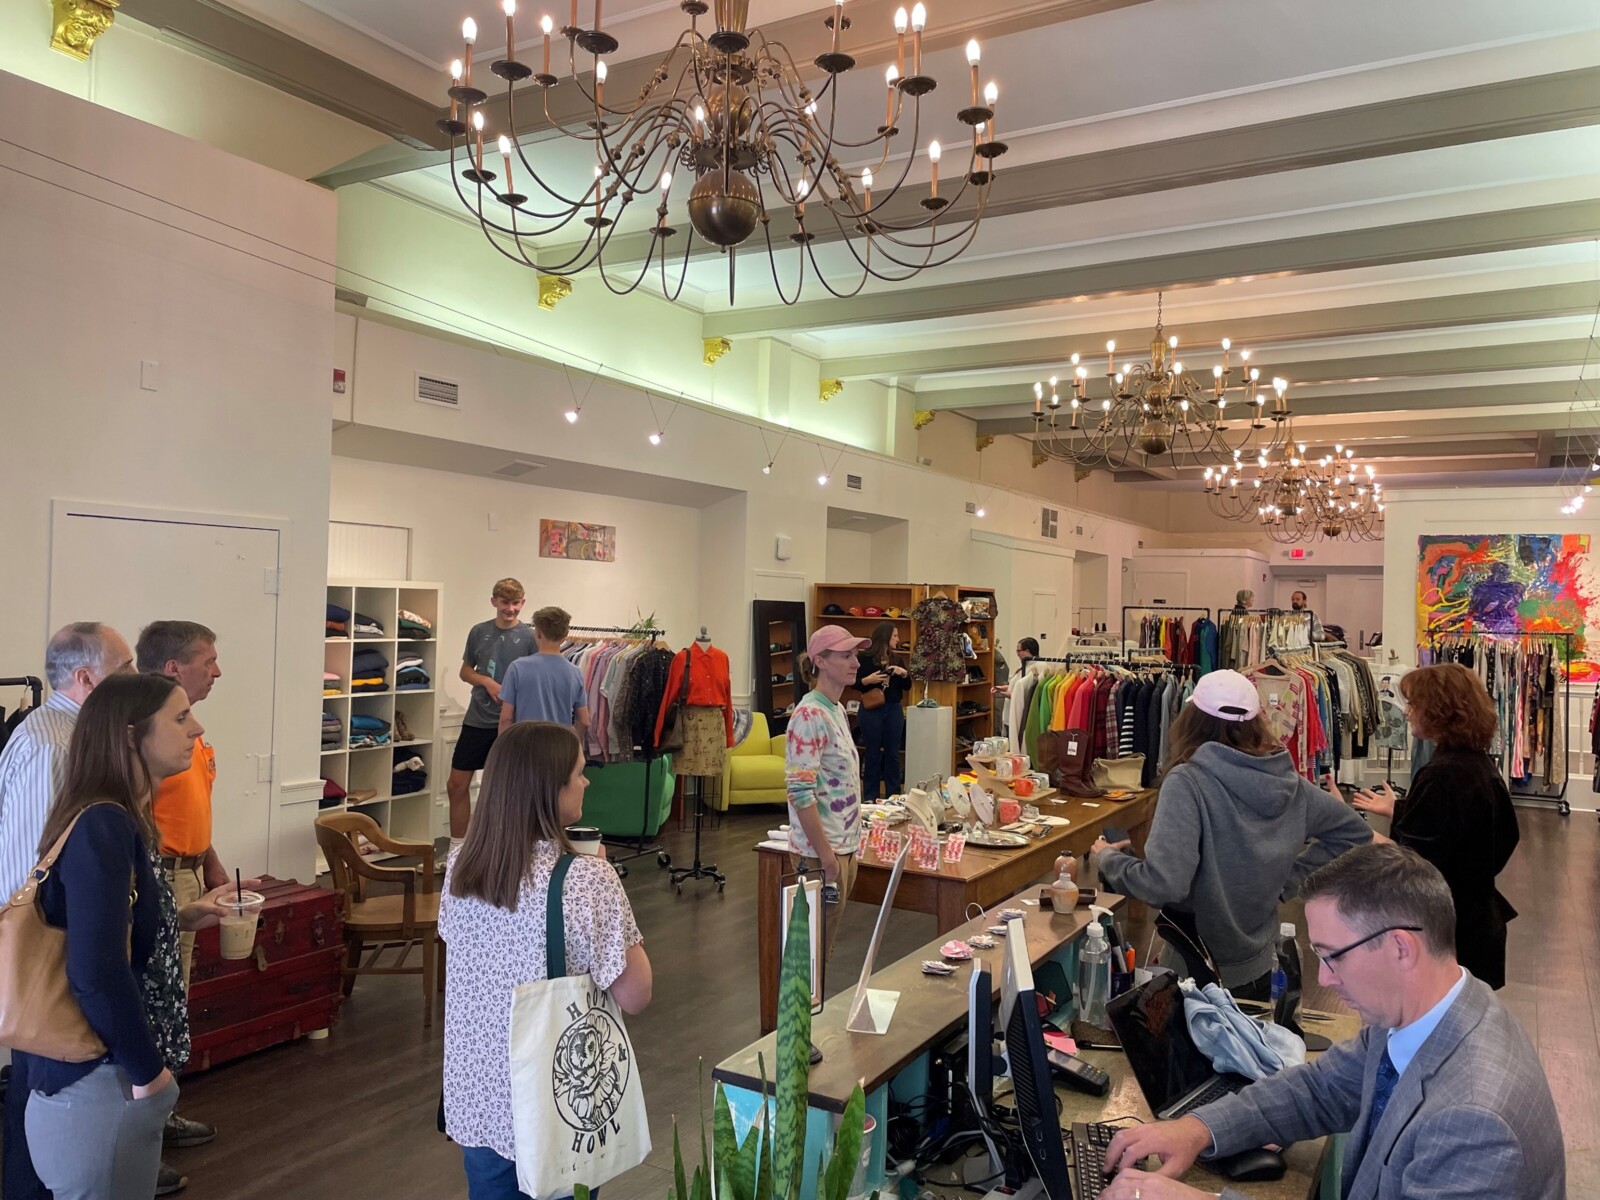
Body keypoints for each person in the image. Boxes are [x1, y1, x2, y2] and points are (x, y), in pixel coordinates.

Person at [1097, 843, 1565, 1200]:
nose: (1323, 977)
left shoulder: (1475, 1124)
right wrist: (1198, 1129)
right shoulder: (1428, 1010)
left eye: (1332, 956)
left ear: (1401, 947)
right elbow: (1319, 1088)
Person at [17, 674, 240, 1200]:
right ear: (129, 735)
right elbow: (96, 972)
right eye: (180, 717)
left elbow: (106, 933)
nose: (197, 728)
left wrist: (182, 917)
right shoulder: (105, 824)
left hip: (100, 1076)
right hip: (96, 1079)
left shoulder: (121, 818)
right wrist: (152, 1075)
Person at [439, 722, 651, 1200]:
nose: (587, 781)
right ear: (548, 790)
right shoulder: (587, 879)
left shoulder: (459, 867)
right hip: (555, 1101)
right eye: (578, 773)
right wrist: (607, 887)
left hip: (479, 1094)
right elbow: (636, 995)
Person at [1090, 669, 1371, 997]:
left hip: (1195, 968)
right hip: (1261, 962)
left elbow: (1162, 883)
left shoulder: (1189, 781)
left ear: (1192, 719)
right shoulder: (1289, 783)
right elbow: (1354, 833)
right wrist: (1286, 880)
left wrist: (1108, 858)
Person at [0, 621, 133, 1200]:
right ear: (87, 678)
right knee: (41, 1088)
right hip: (45, 952)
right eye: (124, 669)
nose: (134, 680)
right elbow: (36, 871)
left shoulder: (64, 736)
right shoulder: (56, 744)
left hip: (51, 948)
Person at [137, 620, 245, 1158]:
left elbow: (192, 814)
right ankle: (142, 1135)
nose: (217, 670)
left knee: (175, 998)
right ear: (174, 667)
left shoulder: (189, 737)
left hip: (192, 873)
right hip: (160, 878)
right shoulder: (145, 739)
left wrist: (214, 865)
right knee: (154, 1000)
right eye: (209, 660)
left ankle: (160, 1116)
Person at [1352, 663, 1520, 988]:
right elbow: (1476, 834)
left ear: (1437, 710)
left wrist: (1351, 829)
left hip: (1445, 933)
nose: (1407, 712)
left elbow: (1415, 862)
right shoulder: (1477, 765)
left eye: (1414, 703)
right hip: (1476, 921)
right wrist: (1402, 811)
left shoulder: (1442, 775)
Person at [786, 625, 869, 959]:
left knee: (824, 948)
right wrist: (825, 857)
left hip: (841, 849)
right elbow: (800, 793)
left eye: (855, 655)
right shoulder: (809, 715)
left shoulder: (835, 709)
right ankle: (802, 1012)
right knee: (809, 955)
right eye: (845, 655)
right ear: (820, 660)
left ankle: (815, 1010)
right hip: (820, 854)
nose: (856, 663)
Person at [448, 578, 534, 851]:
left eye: (515, 603)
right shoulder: (478, 632)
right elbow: (465, 671)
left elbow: (535, 678)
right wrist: (487, 681)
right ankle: (456, 850)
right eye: (505, 603)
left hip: (514, 724)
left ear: (523, 602)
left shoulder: (531, 637)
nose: (510, 609)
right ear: (494, 601)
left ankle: (504, 850)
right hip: (477, 719)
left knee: (507, 791)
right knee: (456, 785)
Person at [498, 606, 588, 741]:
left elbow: (506, 718)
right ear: (564, 636)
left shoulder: (517, 668)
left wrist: (503, 750)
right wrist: (572, 742)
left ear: (538, 633)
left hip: (526, 746)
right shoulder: (575, 673)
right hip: (560, 749)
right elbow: (584, 721)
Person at [855, 621, 910, 801]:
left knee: (892, 754)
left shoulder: (897, 659)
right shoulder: (864, 659)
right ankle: (870, 796)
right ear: (885, 637)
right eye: (895, 635)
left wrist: (903, 674)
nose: (898, 639)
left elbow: (907, 686)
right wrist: (867, 680)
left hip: (893, 708)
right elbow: (853, 683)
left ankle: (893, 796)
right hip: (871, 710)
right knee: (872, 753)